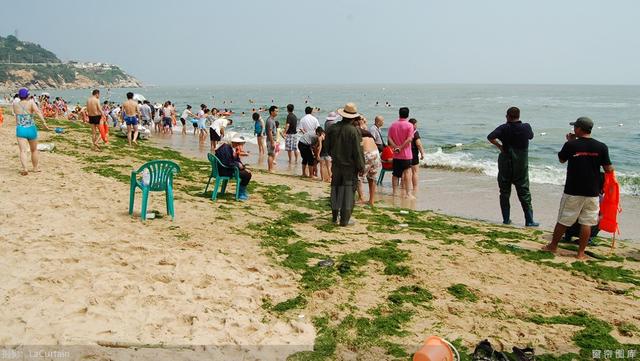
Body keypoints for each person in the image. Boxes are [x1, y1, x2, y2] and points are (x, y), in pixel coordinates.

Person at [543, 117, 614, 260]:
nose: (574, 129)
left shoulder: (571, 145)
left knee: (564, 219)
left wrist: (570, 142)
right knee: (587, 222)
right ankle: (580, 253)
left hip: (573, 190)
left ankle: (553, 246)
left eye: (575, 127)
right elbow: (608, 169)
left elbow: (562, 160)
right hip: (593, 191)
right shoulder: (601, 147)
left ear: (580, 129)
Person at [487, 107, 539, 226]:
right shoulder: (526, 127)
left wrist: (499, 146)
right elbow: (531, 136)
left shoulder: (503, 128)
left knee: (504, 192)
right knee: (524, 192)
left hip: (505, 162)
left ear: (507, 116)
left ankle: (506, 219)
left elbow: (490, 137)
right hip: (520, 164)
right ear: (519, 116)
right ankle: (529, 220)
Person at [325, 102, 365, 226]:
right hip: (349, 167)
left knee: (336, 190)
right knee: (348, 193)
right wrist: (361, 166)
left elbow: (327, 148)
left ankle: (334, 217)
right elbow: (358, 152)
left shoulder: (332, 128)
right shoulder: (354, 131)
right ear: (353, 117)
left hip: (336, 165)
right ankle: (344, 220)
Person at [12, 88, 49, 175]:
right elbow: (38, 112)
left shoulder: (15, 104)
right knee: (34, 150)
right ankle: (35, 168)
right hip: (31, 128)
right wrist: (44, 123)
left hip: (20, 129)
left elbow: (16, 115)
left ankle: (25, 169)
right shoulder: (31, 102)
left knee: (23, 151)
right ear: (27, 95)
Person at [387, 107, 414, 198]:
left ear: (399, 114)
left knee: (395, 174)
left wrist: (395, 147)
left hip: (396, 155)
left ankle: (394, 192)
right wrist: (401, 147)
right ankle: (408, 194)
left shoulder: (393, 125)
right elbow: (409, 139)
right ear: (407, 115)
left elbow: (389, 138)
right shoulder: (410, 125)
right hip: (406, 155)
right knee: (407, 173)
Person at [215, 135, 252, 201]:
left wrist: (243, 167)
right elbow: (227, 162)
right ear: (231, 141)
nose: (238, 144)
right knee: (247, 175)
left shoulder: (228, 148)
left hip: (224, 169)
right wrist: (238, 165)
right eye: (236, 142)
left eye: (238, 143)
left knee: (246, 172)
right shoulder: (225, 148)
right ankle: (241, 193)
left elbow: (235, 160)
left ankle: (241, 192)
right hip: (225, 170)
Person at [357, 120, 381, 207]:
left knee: (358, 177)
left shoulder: (356, 131)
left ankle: (361, 197)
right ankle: (371, 201)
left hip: (367, 153)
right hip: (375, 153)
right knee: (372, 177)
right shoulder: (367, 132)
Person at [319, 111, 340, 182]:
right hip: (331, 141)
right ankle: (331, 177)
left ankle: (323, 178)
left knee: (323, 164)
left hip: (326, 140)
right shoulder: (333, 123)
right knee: (329, 163)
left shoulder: (326, 122)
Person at [408, 118, 426, 195]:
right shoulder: (415, 132)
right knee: (415, 172)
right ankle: (415, 187)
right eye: (416, 124)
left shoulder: (405, 131)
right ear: (413, 125)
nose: (417, 125)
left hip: (405, 153)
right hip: (413, 153)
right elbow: (418, 144)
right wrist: (422, 153)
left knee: (406, 171)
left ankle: (404, 185)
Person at [265, 105, 278, 172]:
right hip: (270, 139)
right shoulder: (270, 120)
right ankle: (270, 169)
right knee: (271, 154)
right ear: (272, 112)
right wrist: (272, 142)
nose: (277, 113)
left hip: (272, 139)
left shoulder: (272, 119)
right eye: (276, 111)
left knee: (272, 154)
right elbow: (270, 132)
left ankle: (271, 168)